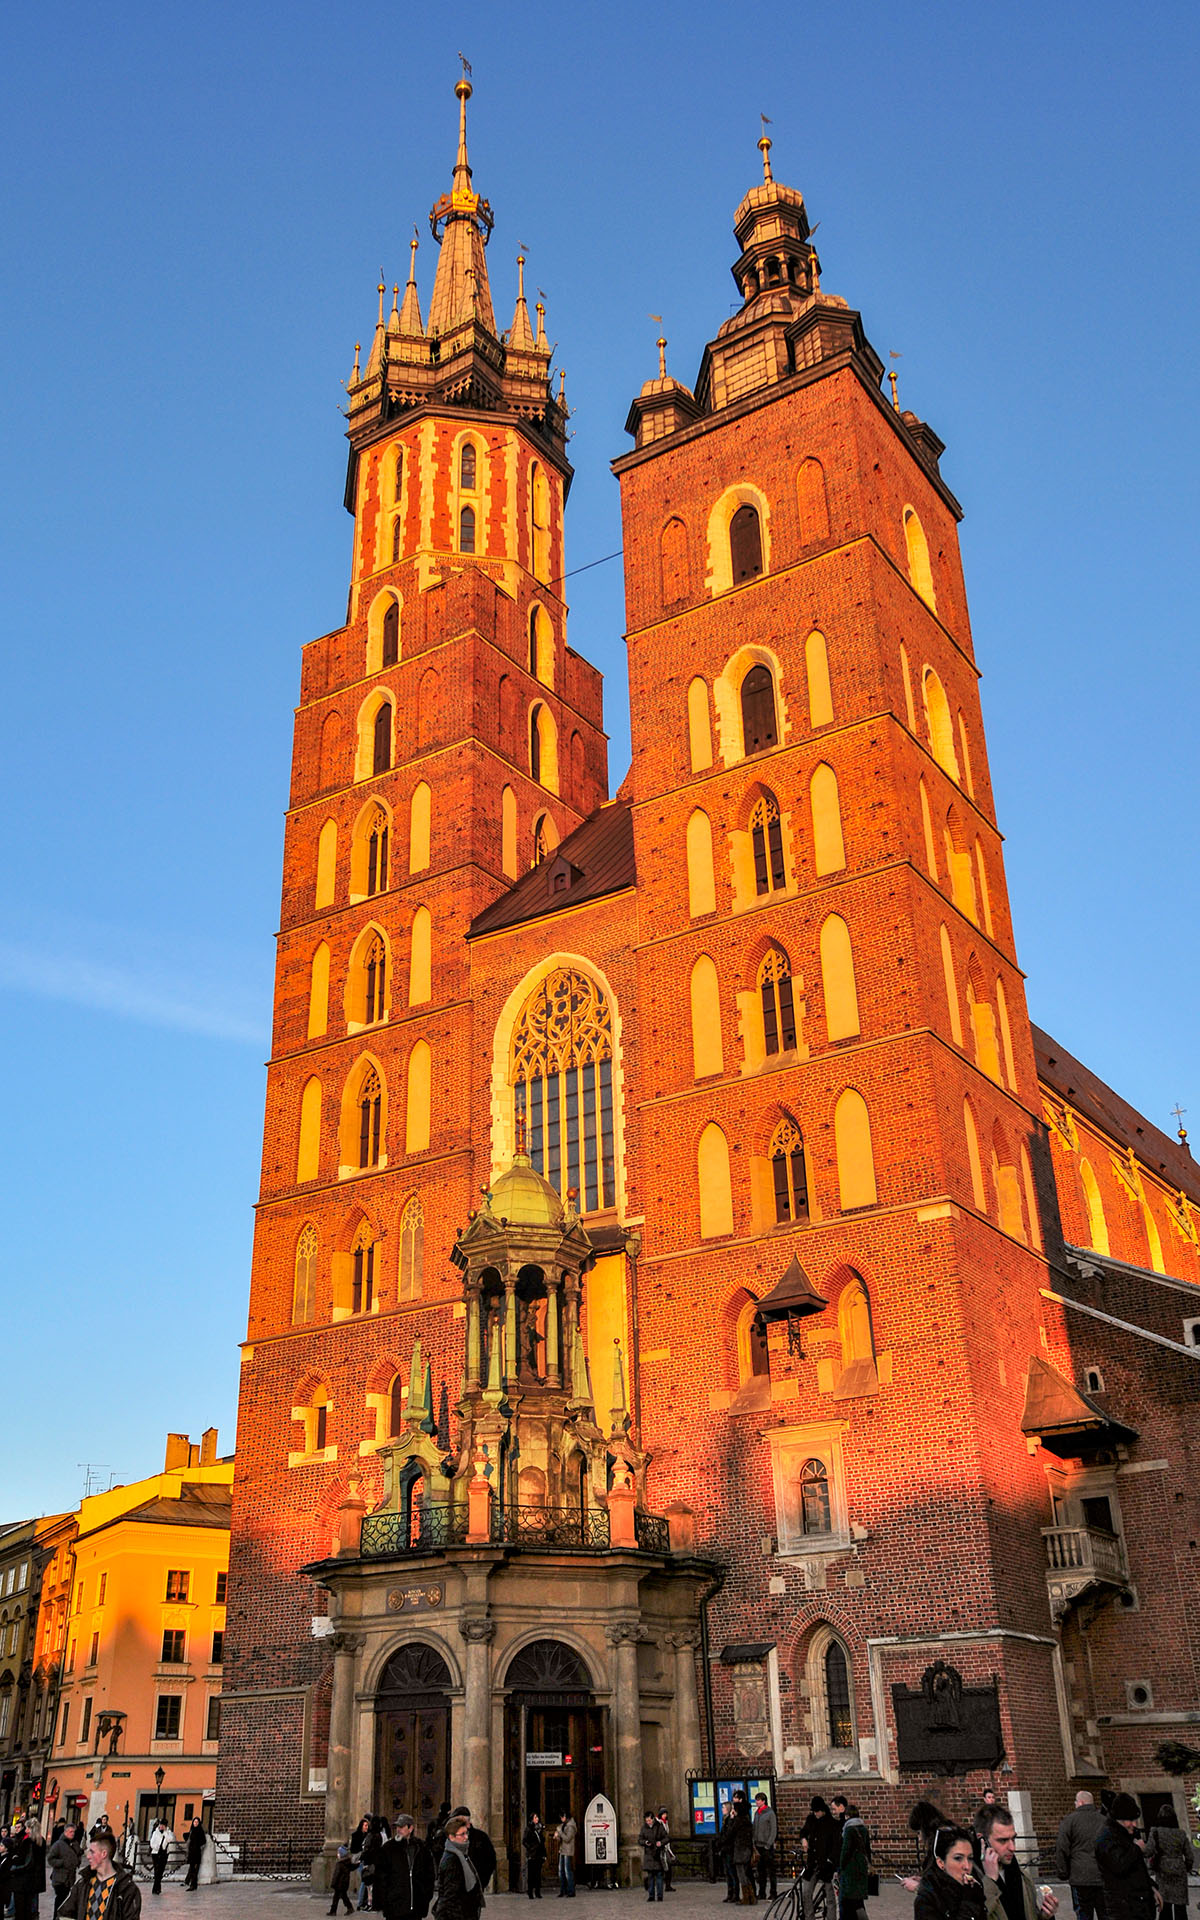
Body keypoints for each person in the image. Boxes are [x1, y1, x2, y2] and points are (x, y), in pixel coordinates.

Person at [981, 1806, 1059, 1920]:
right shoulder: (971, 1880)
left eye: (1013, 1839)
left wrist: (1045, 1916)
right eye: (1003, 1840)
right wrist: (990, 1881)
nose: (1012, 1847)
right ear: (984, 1842)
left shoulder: (1023, 1877)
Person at [1097, 1798, 1159, 1920]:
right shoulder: (1106, 1837)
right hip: (1124, 1907)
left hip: (1138, 1904)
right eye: (1130, 1820)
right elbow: (1119, 1866)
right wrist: (1136, 1849)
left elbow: (1138, 1868)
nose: (1134, 1824)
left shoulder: (1126, 1834)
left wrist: (1151, 1888)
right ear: (1119, 1819)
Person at [59, 1833, 141, 1920]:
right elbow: (65, 1913)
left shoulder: (127, 1889)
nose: (88, 1856)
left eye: (92, 1852)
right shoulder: (83, 1884)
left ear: (104, 1854)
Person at [913, 1826, 988, 1920]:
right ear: (941, 1863)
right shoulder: (928, 1900)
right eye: (958, 1858)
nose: (967, 1866)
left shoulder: (973, 1887)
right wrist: (969, 1902)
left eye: (970, 1858)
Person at [1054, 1792, 1108, 1920]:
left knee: (1083, 1914)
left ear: (1081, 1802)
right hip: (1102, 1876)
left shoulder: (1069, 1821)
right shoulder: (1104, 1821)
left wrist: (1063, 1872)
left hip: (1080, 1876)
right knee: (1105, 1913)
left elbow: (1062, 1848)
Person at [373, 1816, 435, 1920]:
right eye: (397, 1827)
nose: (398, 1830)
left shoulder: (421, 1848)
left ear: (410, 1828)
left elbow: (429, 1875)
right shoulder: (388, 1848)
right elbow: (380, 1877)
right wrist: (382, 1902)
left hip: (416, 1907)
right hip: (394, 1907)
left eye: (402, 1827)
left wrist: (425, 1897)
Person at [1147, 1806, 1192, 1920]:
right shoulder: (1181, 1833)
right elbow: (1189, 1855)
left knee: (1165, 1905)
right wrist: (1186, 1867)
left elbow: (1149, 1850)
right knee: (1180, 1907)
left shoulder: (1155, 1832)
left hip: (1163, 1870)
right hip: (1179, 1869)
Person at [435, 1816, 483, 1920]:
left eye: (467, 1833)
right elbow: (450, 1897)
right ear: (452, 1837)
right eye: (462, 1834)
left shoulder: (461, 1855)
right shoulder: (452, 1860)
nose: (466, 1837)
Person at [801, 1798, 840, 1920]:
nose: (815, 1814)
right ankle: (809, 1917)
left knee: (830, 1897)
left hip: (826, 1865)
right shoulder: (811, 1820)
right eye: (814, 1811)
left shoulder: (832, 1823)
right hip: (813, 1863)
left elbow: (835, 1846)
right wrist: (804, 1839)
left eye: (817, 1811)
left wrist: (830, 1860)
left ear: (823, 1810)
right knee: (806, 1892)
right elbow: (803, 1832)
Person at [902, 1805, 952, 1894]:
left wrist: (918, 1887)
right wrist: (925, 1880)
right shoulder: (946, 1836)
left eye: (919, 1832)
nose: (920, 1839)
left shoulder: (941, 1844)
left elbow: (947, 1888)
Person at [448, 1810, 496, 1893]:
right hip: (455, 1884)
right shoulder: (452, 1836)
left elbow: (491, 1859)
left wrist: (482, 1880)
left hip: (476, 1883)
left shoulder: (481, 1837)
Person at [838, 1806, 871, 1920]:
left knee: (846, 1900)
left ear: (847, 1816)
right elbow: (868, 1850)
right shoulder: (864, 1828)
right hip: (861, 1867)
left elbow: (845, 1850)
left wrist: (841, 1867)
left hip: (850, 1868)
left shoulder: (849, 1829)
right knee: (857, 1899)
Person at [48, 1826, 81, 1913]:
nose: (72, 1833)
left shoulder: (75, 1843)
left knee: (67, 1899)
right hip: (60, 1878)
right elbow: (50, 1859)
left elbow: (78, 1854)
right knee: (60, 1899)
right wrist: (62, 1863)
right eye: (70, 1832)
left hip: (70, 1877)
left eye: (73, 1832)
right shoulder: (58, 1844)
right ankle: (57, 1916)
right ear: (65, 1832)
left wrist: (77, 1861)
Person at [753, 1794, 779, 1903]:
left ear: (763, 1801)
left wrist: (769, 1844)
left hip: (766, 1845)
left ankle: (773, 1892)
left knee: (771, 1870)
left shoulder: (770, 1813)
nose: (757, 1802)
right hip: (758, 1845)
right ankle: (762, 1892)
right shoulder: (757, 1813)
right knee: (761, 1871)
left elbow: (773, 1829)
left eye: (758, 1800)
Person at [639, 1811, 667, 1904]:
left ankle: (659, 1895)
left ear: (653, 1819)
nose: (648, 1822)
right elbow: (640, 1839)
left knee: (659, 1877)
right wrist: (645, 1842)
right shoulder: (644, 1828)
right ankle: (651, 1895)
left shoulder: (659, 1826)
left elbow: (666, 1838)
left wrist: (661, 1843)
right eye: (647, 1821)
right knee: (650, 1877)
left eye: (649, 1820)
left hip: (657, 1854)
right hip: (649, 1855)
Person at [522, 1814, 546, 1901]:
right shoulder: (529, 1829)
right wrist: (530, 1848)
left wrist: (544, 1854)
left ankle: (538, 1892)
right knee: (531, 1874)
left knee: (538, 1874)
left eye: (537, 1817)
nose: (537, 1818)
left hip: (539, 1854)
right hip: (532, 1855)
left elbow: (542, 1843)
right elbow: (524, 1841)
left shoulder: (539, 1829)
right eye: (535, 1817)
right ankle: (530, 1892)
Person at [148, 1824, 172, 1899]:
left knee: (161, 1870)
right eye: (160, 1825)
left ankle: (157, 1887)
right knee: (156, 1870)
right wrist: (157, 1847)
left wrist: (165, 1833)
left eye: (163, 1826)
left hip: (164, 1853)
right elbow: (152, 1843)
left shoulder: (168, 1832)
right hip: (155, 1853)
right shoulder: (155, 1833)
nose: (161, 1827)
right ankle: (155, 1888)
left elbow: (170, 1839)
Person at [556, 1813, 576, 1899]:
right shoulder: (564, 1825)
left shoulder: (571, 1826)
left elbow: (567, 1839)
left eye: (562, 1817)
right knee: (561, 1871)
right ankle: (563, 1890)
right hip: (562, 1850)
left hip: (568, 1851)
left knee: (567, 1871)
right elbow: (561, 1838)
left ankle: (571, 1891)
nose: (561, 1819)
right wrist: (557, 1836)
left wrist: (560, 1831)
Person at [183, 1818, 206, 1893]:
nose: (195, 1823)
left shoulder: (200, 1831)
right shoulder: (192, 1830)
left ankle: (193, 1884)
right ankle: (191, 1883)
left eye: (197, 1822)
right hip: (191, 1852)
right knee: (192, 1868)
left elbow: (203, 1841)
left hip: (196, 1852)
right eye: (194, 1822)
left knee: (195, 1870)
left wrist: (198, 1846)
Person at [331, 1847, 355, 1917]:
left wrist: (333, 1883)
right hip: (344, 1883)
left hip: (339, 1883)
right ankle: (333, 1910)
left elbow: (336, 1875)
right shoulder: (347, 1863)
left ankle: (349, 1908)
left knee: (342, 1897)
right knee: (338, 1897)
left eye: (338, 1853)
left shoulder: (339, 1864)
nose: (337, 1854)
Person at [656, 1811, 673, 1896]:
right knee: (662, 1868)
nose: (665, 1815)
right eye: (664, 1814)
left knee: (668, 1866)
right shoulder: (658, 1823)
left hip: (666, 1848)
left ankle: (668, 1885)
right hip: (661, 1848)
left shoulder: (666, 1823)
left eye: (666, 1814)